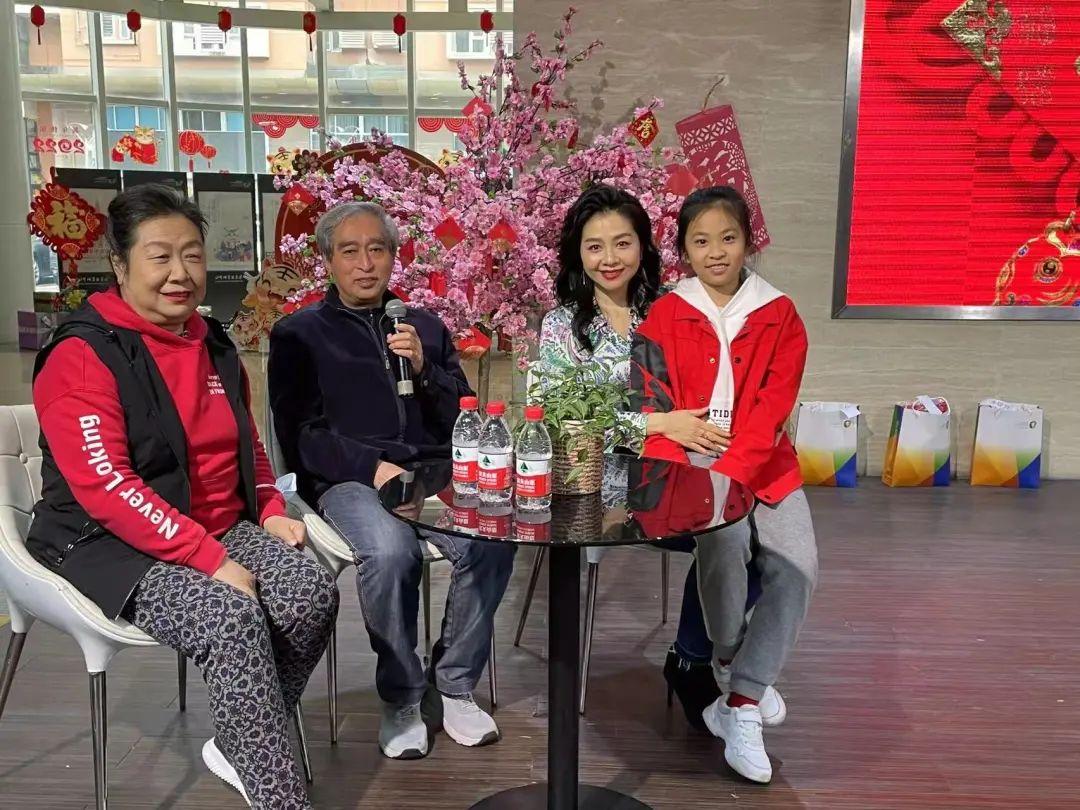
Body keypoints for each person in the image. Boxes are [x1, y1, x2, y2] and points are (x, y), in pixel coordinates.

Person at [27, 184, 338, 809]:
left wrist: (270, 509)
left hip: (213, 523)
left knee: (311, 593)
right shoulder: (83, 354)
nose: (180, 273)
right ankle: (280, 793)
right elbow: (107, 487)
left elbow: (246, 444)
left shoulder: (212, 341)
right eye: (160, 256)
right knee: (231, 618)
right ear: (120, 266)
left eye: (192, 255)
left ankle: (240, 742)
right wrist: (210, 560)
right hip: (107, 542)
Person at [268, 201, 515, 760]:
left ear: (394, 256)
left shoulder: (424, 326)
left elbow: (462, 416)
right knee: (390, 550)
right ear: (327, 260)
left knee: (495, 537)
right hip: (349, 478)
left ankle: (452, 684)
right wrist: (373, 468)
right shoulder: (299, 334)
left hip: (434, 469)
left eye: (376, 249)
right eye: (349, 251)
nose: (365, 264)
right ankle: (402, 696)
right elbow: (301, 435)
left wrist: (425, 370)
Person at [535, 183, 748, 729]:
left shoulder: (676, 308)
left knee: (750, 537)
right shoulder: (561, 326)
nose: (609, 258)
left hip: (679, 470)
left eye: (622, 243)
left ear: (643, 246)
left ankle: (692, 654)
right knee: (722, 535)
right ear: (578, 254)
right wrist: (657, 423)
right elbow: (561, 421)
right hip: (595, 489)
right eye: (595, 246)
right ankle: (704, 661)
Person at [631, 185, 818, 784]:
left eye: (728, 238)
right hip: (687, 462)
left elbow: (771, 411)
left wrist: (733, 474)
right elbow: (649, 401)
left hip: (764, 464)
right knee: (725, 540)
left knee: (798, 566)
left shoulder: (780, 313)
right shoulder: (665, 313)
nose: (716, 252)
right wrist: (676, 470)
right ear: (684, 249)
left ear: (748, 242)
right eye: (701, 241)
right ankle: (737, 665)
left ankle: (740, 700)